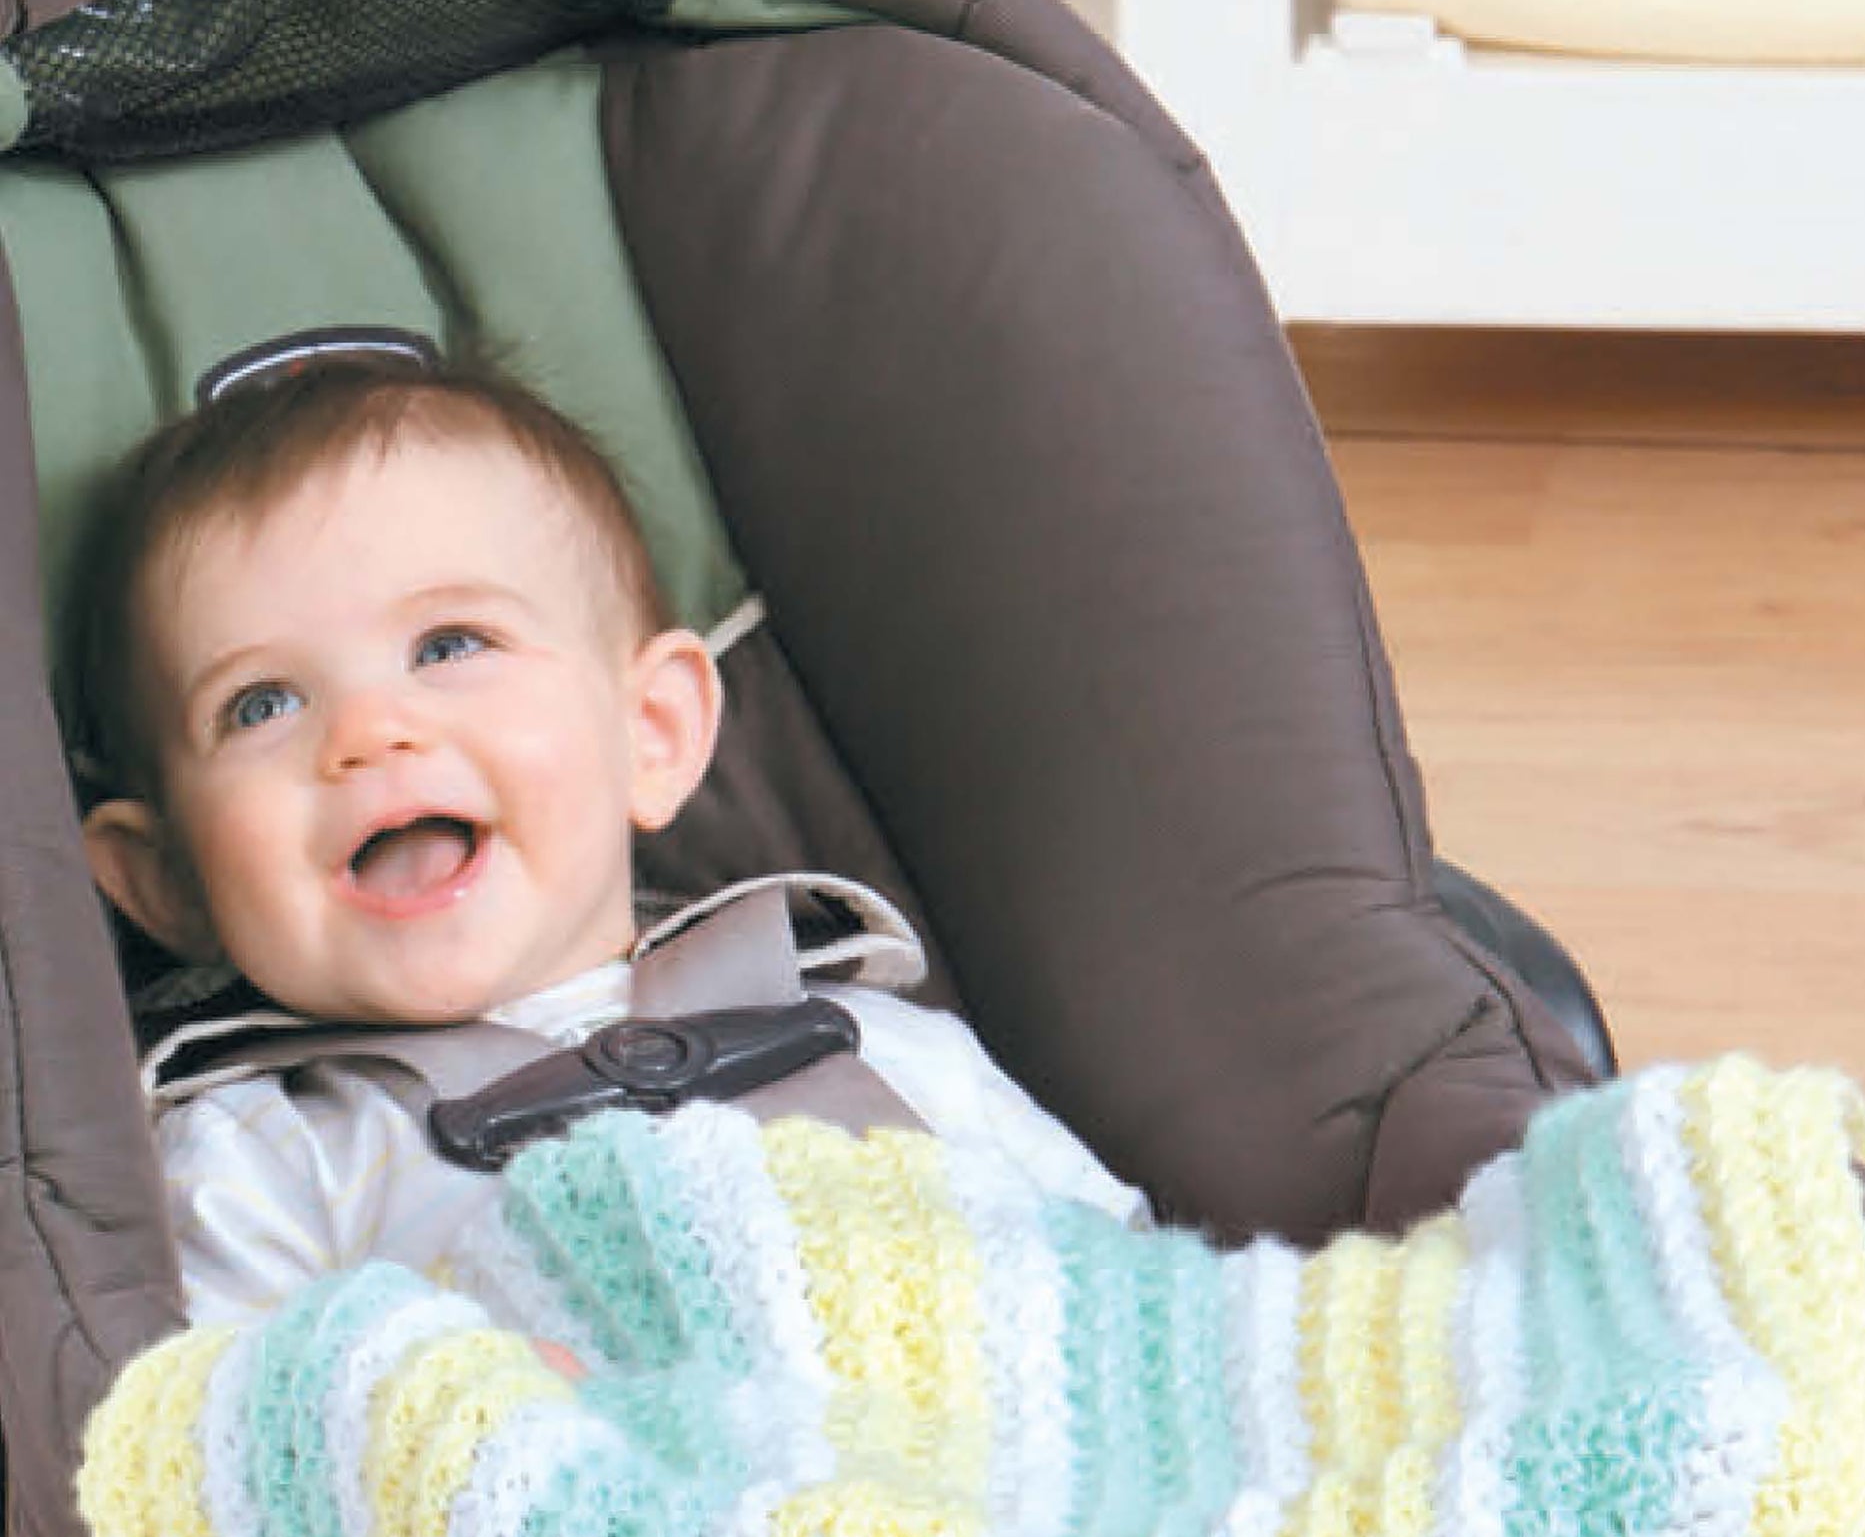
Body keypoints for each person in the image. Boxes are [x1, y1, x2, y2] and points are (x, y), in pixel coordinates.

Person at [75, 345, 1141, 1329]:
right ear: (166, 879)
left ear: (652, 731)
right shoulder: (260, 1158)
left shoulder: (866, 1034)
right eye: (261, 704)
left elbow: (1133, 1300)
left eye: (450, 644)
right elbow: (222, 1471)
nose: (368, 732)